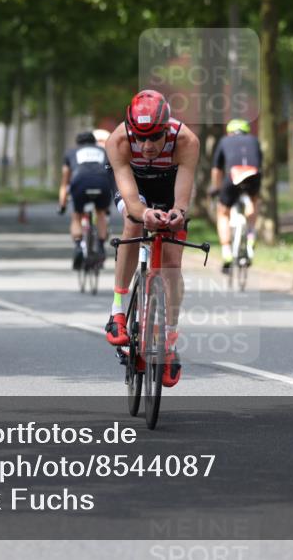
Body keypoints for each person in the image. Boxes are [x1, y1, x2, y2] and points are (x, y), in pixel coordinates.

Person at [104, 89, 199, 387]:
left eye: (155, 137)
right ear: (131, 131)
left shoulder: (186, 141)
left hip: (169, 184)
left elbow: (182, 200)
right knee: (133, 224)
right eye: (140, 137)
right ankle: (118, 310)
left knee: (172, 260)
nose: (146, 145)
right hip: (134, 183)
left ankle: (169, 339)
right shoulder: (118, 141)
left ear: (167, 129)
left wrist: (177, 214)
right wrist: (143, 213)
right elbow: (133, 203)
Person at [210, 118, 262, 270]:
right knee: (253, 202)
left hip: (233, 176)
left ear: (230, 132)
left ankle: (226, 252)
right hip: (253, 174)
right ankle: (251, 234)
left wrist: (217, 188)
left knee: (223, 213)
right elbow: (259, 163)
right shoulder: (255, 140)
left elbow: (216, 169)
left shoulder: (225, 141)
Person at [59, 132, 112, 268]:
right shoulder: (104, 151)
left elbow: (65, 183)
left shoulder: (72, 152)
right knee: (100, 213)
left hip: (80, 183)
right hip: (102, 183)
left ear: (78, 143)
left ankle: (78, 247)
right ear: (94, 142)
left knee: (77, 216)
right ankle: (100, 247)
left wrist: (62, 205)